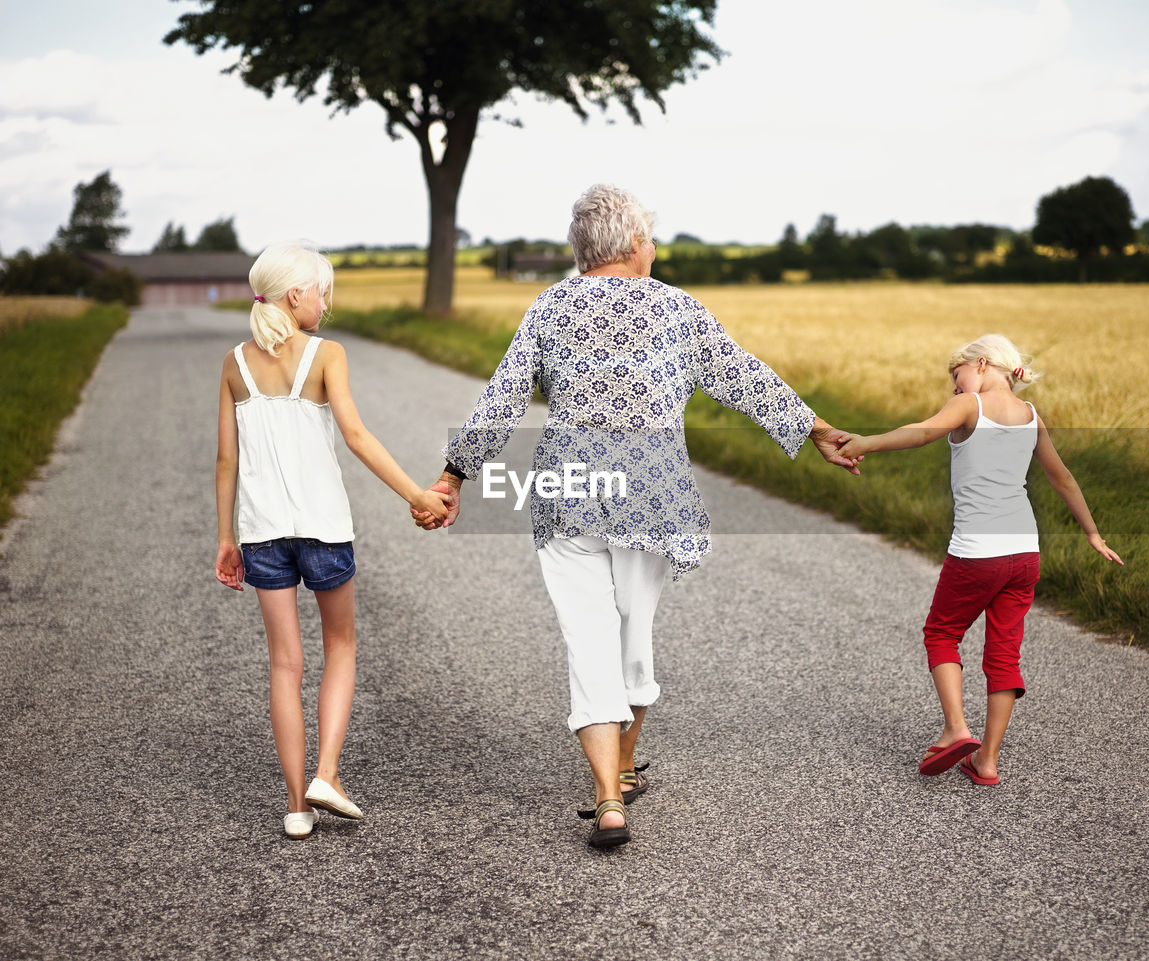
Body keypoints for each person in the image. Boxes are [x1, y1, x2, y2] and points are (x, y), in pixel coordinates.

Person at [413, 184, 859, 847]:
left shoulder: (552, 305)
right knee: (633, 638)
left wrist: (455, 473)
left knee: (587, 642)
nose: (653, 247)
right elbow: (743, 376)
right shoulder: (677, 309)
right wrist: (813, 427)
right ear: (631, 245)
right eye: (649, 236)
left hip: (567, 493)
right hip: (650, 496)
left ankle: (607, 797)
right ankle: (620, 767)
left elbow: (502, 396)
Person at [214, 242, 450, 839]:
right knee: (339, 648)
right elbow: (358, 437)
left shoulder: (235, 364)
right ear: (296, 296)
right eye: (323, 291)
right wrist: (418, 497)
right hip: (323, 529)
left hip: (262, 535)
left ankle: (296, 806)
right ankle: (327, 773)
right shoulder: (326, 355)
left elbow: (225, 460)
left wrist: (225, 537)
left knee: (284, 665)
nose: (327, 302)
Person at [836, 334, 1122, 786]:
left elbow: (921, 432)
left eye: (957, 375)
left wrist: (865, 443)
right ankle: (986, 762)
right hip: (1025, 553)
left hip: (978, 552)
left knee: (941, 632)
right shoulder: (1031, 416)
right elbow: (1062, 478)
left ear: (982, 364)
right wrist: (1092, 532)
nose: (955, 386)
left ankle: (955, 729)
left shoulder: (971, 405)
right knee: (1004, 654)